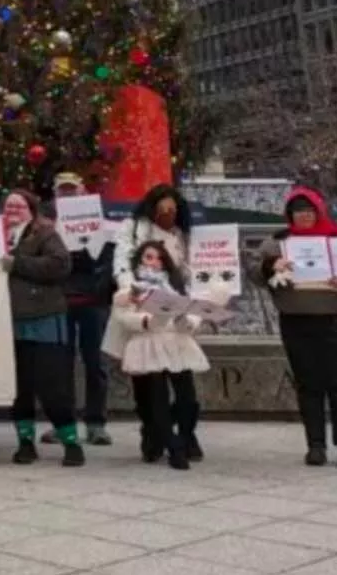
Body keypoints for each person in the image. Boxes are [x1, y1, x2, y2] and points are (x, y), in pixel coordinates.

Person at [258, 187, 337, 469]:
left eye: (308, 211)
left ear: (318, 211)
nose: (304, 217)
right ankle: (315, 444)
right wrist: (272, 266)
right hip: (296, 318)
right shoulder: (277, 243)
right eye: (297, 212)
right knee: (307, 384)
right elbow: (253, 272)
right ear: (289, 215)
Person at [103, 241, 213, 470]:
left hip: (176, 342)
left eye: (159, 258)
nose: (154, 262)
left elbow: (193, 312)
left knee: (188, 398)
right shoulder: (131, 286)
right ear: (140, 260)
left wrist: (188, 322)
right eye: (149, 257)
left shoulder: (176, 285)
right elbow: (122, 315)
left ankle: (184, 435)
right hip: (147, 341)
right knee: (156, 399)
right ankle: (173, 446)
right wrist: (145, 321)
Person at [112, 183, 201, 462]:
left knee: (183, 386)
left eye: (172, 209)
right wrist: (134, 293)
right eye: (162, 208)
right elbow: (122, 261)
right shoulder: (133, 227)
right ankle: (153, 432)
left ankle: (183, 434)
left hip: (174, 319)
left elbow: (187, 274)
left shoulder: (180, 235)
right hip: (142, 314)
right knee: (147, 388)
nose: (167, 213)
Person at [1, 190, 81, 466]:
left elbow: (60, 265)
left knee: (52, 385)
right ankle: (25, 442)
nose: (12, 210)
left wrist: (18, 263)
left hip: (43, 317)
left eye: (18, 205)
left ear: (31, 210)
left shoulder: (45, 235)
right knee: (19, 388)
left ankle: (71, 443)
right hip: (8, 321)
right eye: (8, 205)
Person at [41, 172, 115, 447]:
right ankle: (64, 423)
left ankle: (96, 423)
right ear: (56, 195)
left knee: (96, 364)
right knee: (61, 366)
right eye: (63, 191)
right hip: (60, 302)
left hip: (93, 303)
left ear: (83, 192)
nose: (69, 195)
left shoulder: (102, 224)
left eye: (73, 190)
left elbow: (110, 261)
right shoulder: (48, 228)